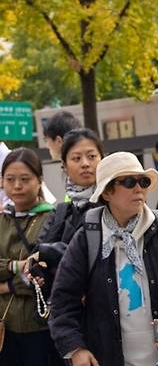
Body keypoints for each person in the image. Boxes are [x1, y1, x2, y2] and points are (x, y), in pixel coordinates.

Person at [48, 152, 158, 366]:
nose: (139, 188)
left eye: (144, 181)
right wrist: (76, 349)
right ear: (107, 192)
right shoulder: (88, 236)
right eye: (129, 182)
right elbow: (62, 301)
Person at [31, 128, 104, 309]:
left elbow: (98, 254)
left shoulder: (113, 203)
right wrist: (39, 273)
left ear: (103, 159)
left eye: (92, 156)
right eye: (76, 158)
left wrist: (49, 253)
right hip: (66, 311)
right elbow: (36, 252)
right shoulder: (61, 210)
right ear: (64, 164)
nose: (85, 164)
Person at [0, 148, 56, 365]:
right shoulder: (2, 220)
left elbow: (47, 273)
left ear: (39, 180)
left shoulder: (53, 219)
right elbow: (26, 270)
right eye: (10, 179)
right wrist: (16, 266)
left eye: (25, 179)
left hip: (41, 325)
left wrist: (7, 286)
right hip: (5, 325)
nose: (17, 186)